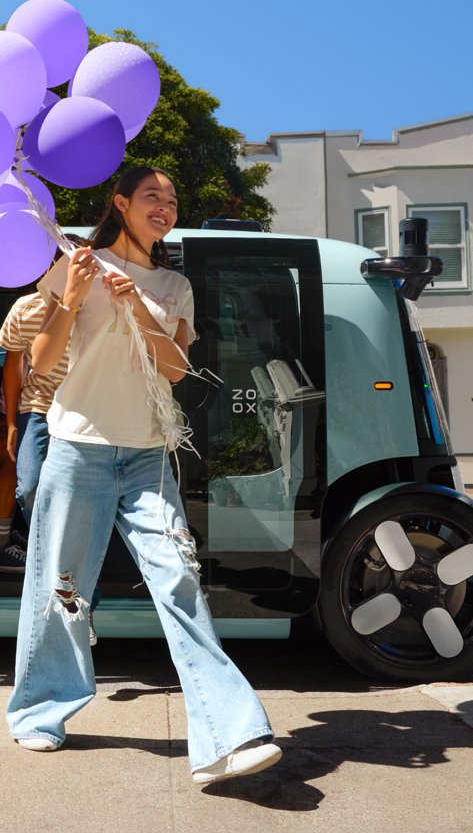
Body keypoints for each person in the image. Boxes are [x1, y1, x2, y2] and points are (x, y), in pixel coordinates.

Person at [6, 167, 281, 785]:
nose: (165, 205)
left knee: (181, 579)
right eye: (152, 195)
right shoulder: (76, 264)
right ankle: (39, 711)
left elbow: (178, 370)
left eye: (173, 198)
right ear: (121, 203)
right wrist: (73, 297)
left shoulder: (174, 284)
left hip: (150, 456)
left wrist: (138, 305)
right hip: (79, 450)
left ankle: (229, 734)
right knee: (62, 589)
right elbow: (40, 363)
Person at [0, 238, 101, 646]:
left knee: (83, 505)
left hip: (87, 411)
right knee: (29, 488)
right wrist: (11, 424)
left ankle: (77, 594)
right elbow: (12, 369)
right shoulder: (25, 309)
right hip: (39, 408)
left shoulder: (99, 308)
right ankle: (46, 559)